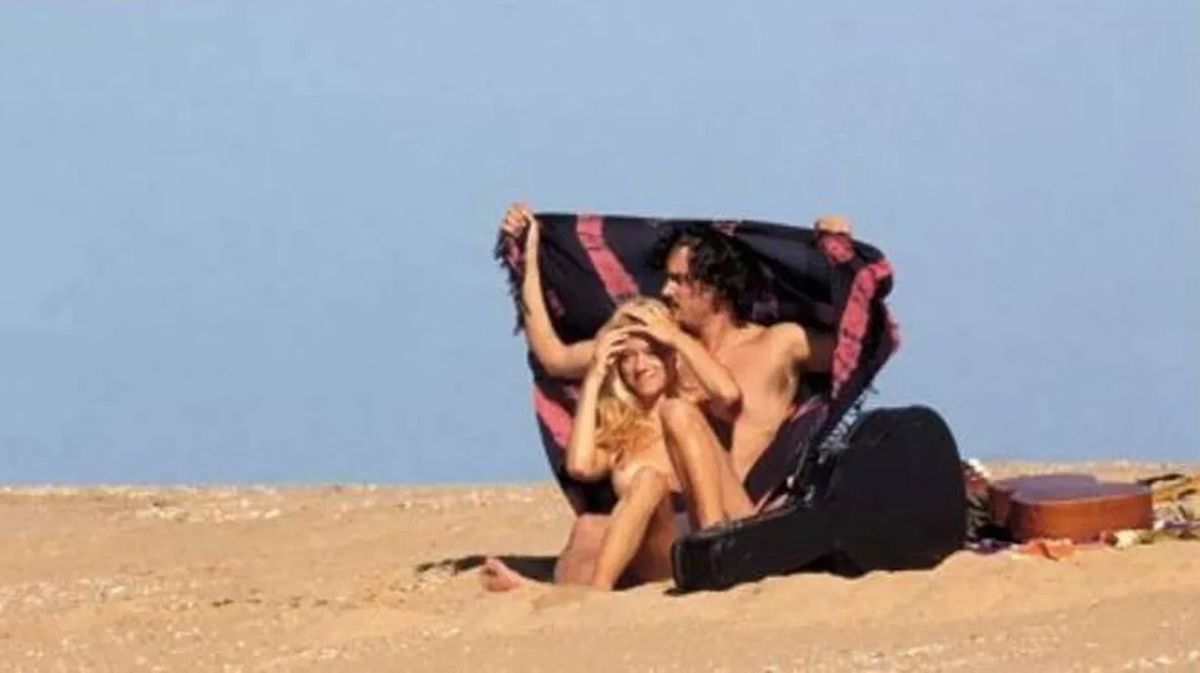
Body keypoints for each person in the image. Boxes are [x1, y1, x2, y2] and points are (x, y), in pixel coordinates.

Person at [495, 203, 850, 586]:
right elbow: (554, 357)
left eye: (680, 280)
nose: (667, 290)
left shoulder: (778, 344)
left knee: (677, 414)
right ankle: (561, 599)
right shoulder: (657, 352)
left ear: (714, 286)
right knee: (590, 528)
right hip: (675, 521)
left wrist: (840, 257)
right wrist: (528, 259)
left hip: (741, 519)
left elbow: (854, 344)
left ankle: (714, 548)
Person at [482, 213, 753, 591]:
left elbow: (729, 395)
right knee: (592, 523)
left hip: (721, 528)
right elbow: (579, 462)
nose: (641, 365)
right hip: (663, 552)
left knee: (663, 442)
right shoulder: (622, 428)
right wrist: (528, 264)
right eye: (628, 357)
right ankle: (571, 598)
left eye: (651, 353)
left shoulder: (692, 402)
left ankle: (601, 589)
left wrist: (673, 337)